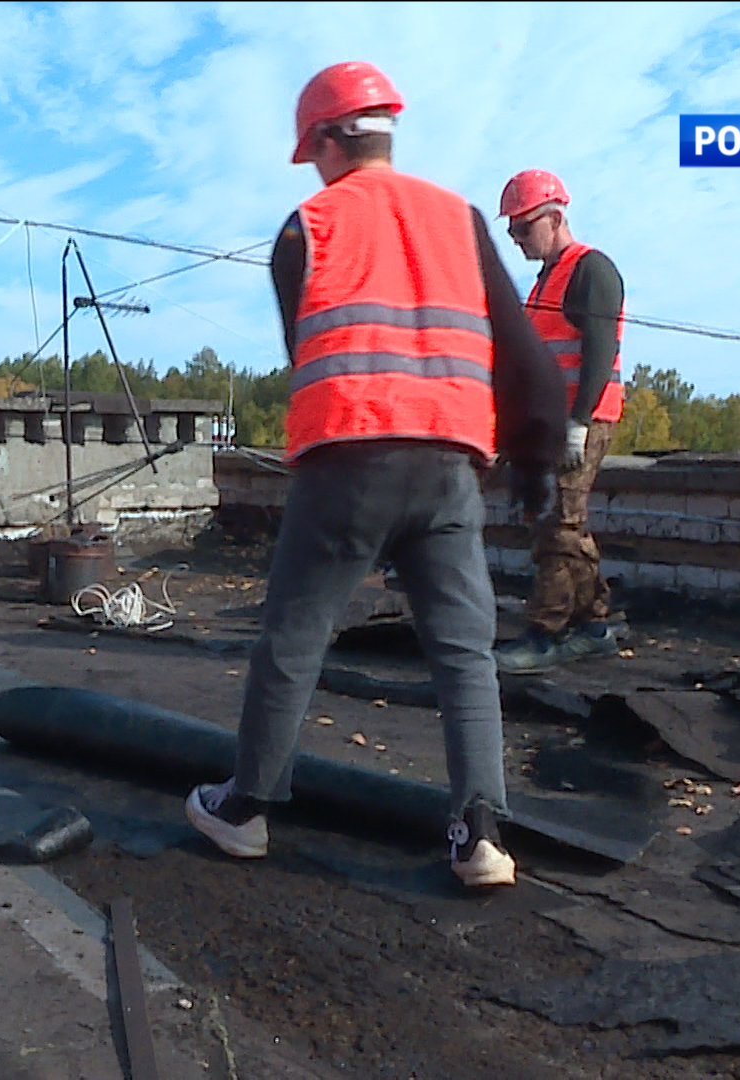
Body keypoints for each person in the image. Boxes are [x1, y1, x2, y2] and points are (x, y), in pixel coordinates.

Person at [184, 62, 564, 887]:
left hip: (348, 460)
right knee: (465, 654)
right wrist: (536, 453)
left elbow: (305, 351)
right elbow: (524, 350)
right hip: (451, 468)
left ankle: (244, 812)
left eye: (310, 152)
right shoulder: (459, 219)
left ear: (324, 141)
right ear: (385, 130)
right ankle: (482, 835)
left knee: (294, 635)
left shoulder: (305, 228)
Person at [492, 170, 627, 674]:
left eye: (523, 229)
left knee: (557, 523)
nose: (516, 240)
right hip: (555, 422)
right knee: (563, 524)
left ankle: (544, 633)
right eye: (511, 232)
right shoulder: (547, 280)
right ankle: (593, 624)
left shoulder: (590, 270)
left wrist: (579, 423)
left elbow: (598, 350)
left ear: (555, 218)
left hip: (582, 419)